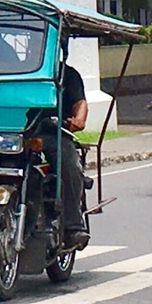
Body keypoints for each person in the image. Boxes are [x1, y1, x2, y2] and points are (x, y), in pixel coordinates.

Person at [57, 57, 90, 249]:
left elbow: (80, 102)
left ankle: (73, 226)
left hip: (53, 131)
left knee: (69, 165)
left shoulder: (67, 74)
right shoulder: (12, 71)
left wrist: (78, 119)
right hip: (13, 133)